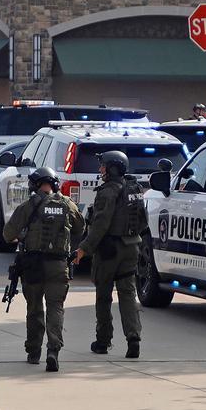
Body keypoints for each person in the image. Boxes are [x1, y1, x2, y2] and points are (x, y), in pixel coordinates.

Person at [3, 167, 84, 373]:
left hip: (33, 265)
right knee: (56, 307)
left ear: (35, 184)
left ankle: (33, 352)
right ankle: (53, 351)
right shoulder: (67, 204)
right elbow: (80, 228)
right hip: (58, 265)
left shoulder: (28, 206)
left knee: (35, 308)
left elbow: (7, 234)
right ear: (55, 184)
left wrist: (22, 236)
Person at [74, 150, 145, 359]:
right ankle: (134, 339)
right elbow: (143, 222)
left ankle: (103, 341)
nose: (100, 169)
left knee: (104, 296)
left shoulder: (107, 192)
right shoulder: (135, 189)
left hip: (109, 250)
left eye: (103, 166)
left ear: (113, 168)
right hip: (132, 247)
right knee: (128, 295)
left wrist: (84, 248)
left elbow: (100, 225)